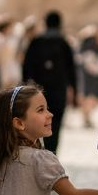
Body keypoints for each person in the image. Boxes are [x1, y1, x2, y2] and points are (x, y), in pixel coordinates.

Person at [20, 11, 76, 153]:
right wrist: (74, 92)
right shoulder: (64, 43)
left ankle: (37, 154)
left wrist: (25, 88)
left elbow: (26, 66)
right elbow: (72, 70)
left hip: (39, 92)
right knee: (55, 125)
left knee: (35, 122)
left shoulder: (36, 41)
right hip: (58, 92)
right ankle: (51, 154)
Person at [75, 24, 98, 128]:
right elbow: (90, 63)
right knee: (90, 97)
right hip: (91, 77)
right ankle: (86, 118)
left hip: (89, 76)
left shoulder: (86, 47)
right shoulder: (91, 46)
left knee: (90, 98)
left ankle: (86, 118)